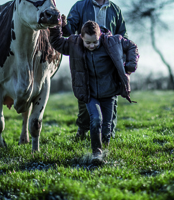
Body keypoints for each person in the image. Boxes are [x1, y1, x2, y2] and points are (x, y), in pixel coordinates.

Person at [50, 21, 139, 162]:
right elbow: (56, 42)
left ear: (101, 36)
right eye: (88, 43)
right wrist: (56, 25)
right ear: (81, 37)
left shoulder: (113, 42)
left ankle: (105, 148)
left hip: (109, 92)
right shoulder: (74, 44)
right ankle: (96, 153)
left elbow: (132, 46)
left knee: (106, 127)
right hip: (89, 94)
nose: (91, 46)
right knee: (96, 119)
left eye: (95, 42)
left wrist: (130, 65)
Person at [62, 0, 128, 140]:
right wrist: (61, 24)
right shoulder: (79, 6)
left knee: (111, 97)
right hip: (86, 59)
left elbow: (122, 35)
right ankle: (82, 129)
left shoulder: (115, 10)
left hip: (109, 61)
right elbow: (70, 29)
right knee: (86, 98)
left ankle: (108, 135)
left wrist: (125, 58)